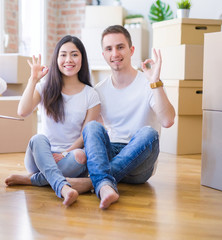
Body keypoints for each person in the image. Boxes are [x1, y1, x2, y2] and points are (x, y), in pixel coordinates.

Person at [67, 25, 175, 209]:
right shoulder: (99, 90)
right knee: (92, 127)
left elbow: (167, 120)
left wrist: (156, 81)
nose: (115, 53)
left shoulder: (149, 83)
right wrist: (65, 154)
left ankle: (94, 182)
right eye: (109, 49)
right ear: (103, 55)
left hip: (141, 161)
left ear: (131, 50)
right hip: (111, 153)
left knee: (149, 133)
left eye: (120, 47)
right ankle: (104, 184)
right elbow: (90, 133)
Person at [5, 35, 101, 206]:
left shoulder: (91, 95)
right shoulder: (44, 88)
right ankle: (63, 187)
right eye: (63, 55)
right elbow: (22, 111)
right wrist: (33, 79)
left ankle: (32, 180)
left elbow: (85, 134)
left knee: (81, 155)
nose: (68, 60)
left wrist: (64, 153)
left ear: (82, 59)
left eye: (74, 54)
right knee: (37, 139)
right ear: (56, 59)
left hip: (69, 158)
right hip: (41, 155)